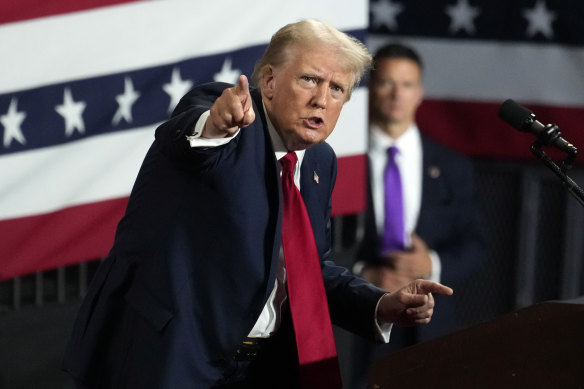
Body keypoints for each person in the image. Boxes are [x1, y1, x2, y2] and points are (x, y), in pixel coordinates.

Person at [61, 21, 453, 389]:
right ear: (267, 81)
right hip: (167, 356)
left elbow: (308, 269)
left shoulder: (320, 161)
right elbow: (188, 138)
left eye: (337, 89)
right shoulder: (224, 114)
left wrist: (381, 305)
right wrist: (216, 125)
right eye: (309, 79)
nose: (321, 99)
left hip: (257, 368)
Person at [350, 43, 485, 387]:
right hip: (358, 323)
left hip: (431, 327)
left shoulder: (452, 167)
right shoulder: (340, 160)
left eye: (407, 84)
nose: (397, 94)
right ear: (371, 88)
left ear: (419, 94)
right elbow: (317, 239)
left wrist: (431, 266)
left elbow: (475, 244)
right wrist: (364, 274)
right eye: (386, 83)